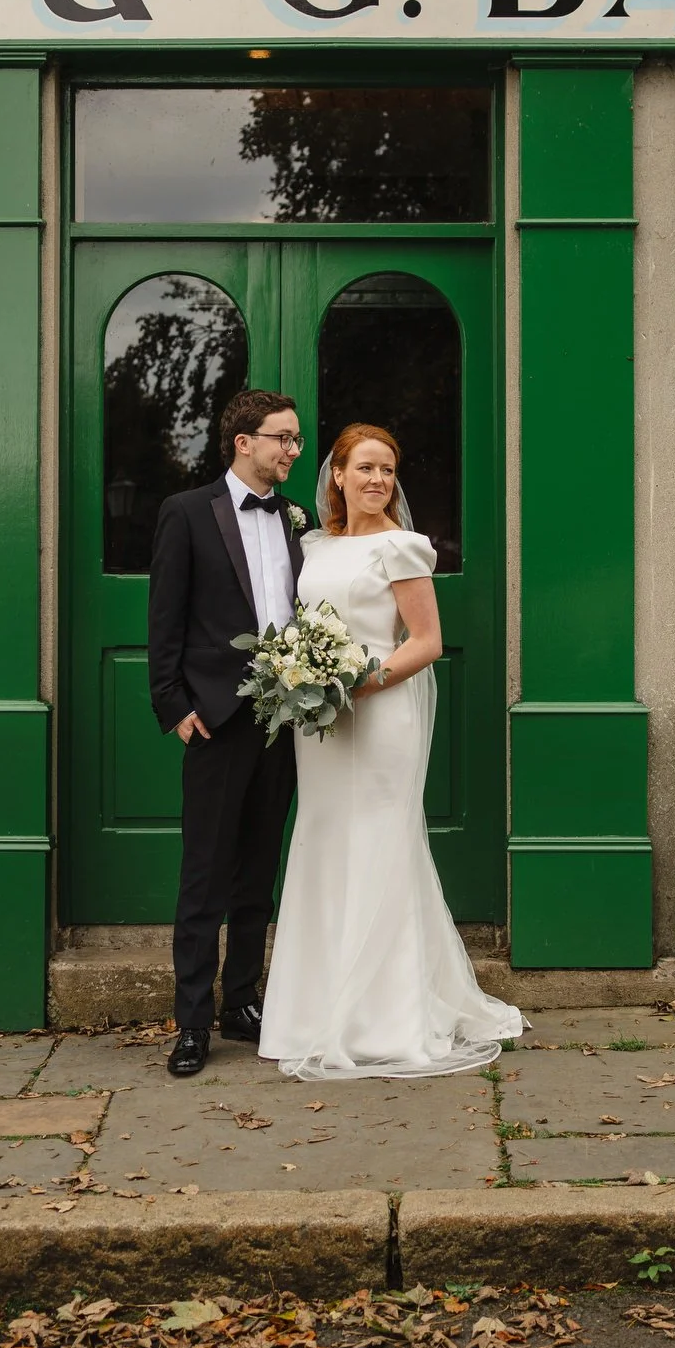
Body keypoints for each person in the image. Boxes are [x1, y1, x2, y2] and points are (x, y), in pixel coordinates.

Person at [259, 423, 525, 1078]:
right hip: (319, 720)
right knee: (323, 836)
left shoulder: (402, 548)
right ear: (339, 476)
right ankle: (310, 1013)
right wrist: (306, 676)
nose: (378, 479)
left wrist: (358, 682)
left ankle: (387, 1016)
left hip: (380, 713)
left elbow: (427, 641)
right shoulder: (314, 545)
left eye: (388, 470)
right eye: (366, 468)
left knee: (380, 839)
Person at [147, 388, 306, 1077]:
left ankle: (242, 1000)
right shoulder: (186, 514)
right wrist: (174, 706)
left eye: (296, 439)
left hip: (285, 722)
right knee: (204, 878)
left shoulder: (299, 521)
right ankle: (192, 1024)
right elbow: (164, 620)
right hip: (214, 720)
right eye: (282, 438)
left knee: (257, 876)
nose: (293, 450)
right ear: (243, 441)